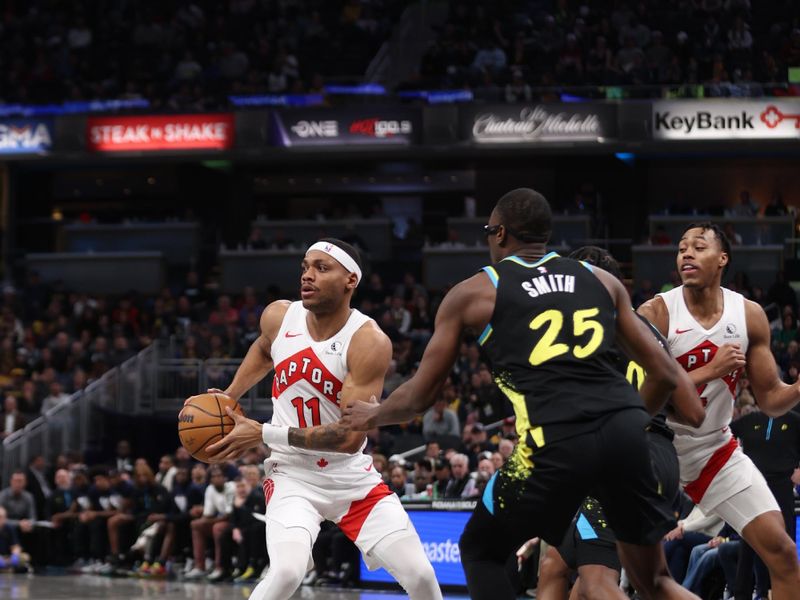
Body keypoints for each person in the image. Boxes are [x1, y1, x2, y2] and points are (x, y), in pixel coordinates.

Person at [343, 188, 698, 600]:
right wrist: (631, 421)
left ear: (500, 234)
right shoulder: (602, 281)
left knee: (481, 551)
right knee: (654, 582)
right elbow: (667, 375)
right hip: (627, 437)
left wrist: (373, 414)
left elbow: (420, 397)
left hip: (556, 445)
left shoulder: (476, 292)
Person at [197, 238, 441, 600]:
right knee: (286, 573)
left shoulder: (368, 340)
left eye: (321, 268)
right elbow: (265, 349)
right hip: (292, 474)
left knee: (422, 577)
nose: (307, 276)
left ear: (350, 281)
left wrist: (263, 433)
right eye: (305, 267)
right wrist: (232, 393)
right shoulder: (280, 316)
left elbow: (347, 437)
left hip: (350, 477)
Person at [638, 221, 800, 599]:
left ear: (723, 259)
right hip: (653, 449)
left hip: (713, 450)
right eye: (681, 249)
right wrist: (711, 370)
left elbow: (771, 401)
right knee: (619, 572)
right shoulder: (656, 312)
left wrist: (797, 388)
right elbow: (641, 402)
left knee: (784, 553)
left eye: (698, 246)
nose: (686, 254)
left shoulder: (748, 315)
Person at [536, 246, 705, 600]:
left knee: (597, 582)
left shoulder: (580, 327)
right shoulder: (648, 332)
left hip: (622, 459)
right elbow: (692, 412)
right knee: (557, 563)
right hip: (660, 460)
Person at [729, 406, 800, 599]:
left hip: (782, 485)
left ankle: (784, 593)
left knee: (786, 542)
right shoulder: (750, 419)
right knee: (749, 543)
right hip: (754, 486)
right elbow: (724, 433)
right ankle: (742, 594)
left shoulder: (794, 421)